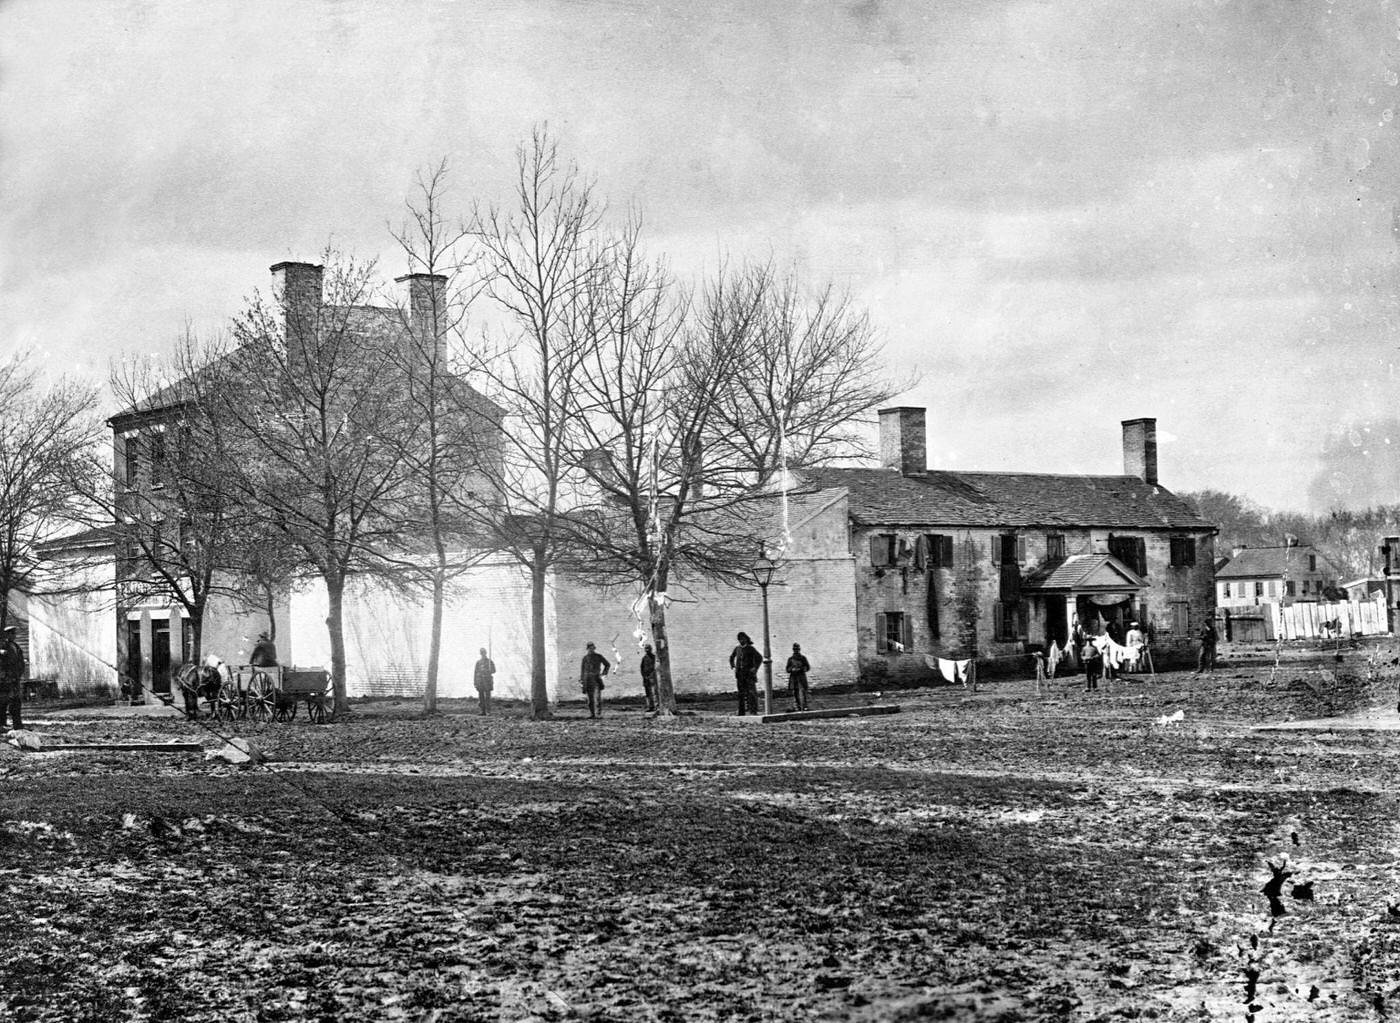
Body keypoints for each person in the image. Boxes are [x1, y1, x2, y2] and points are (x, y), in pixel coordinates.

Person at [729, 632, 762, 716]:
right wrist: (733, 665)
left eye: (742, 638)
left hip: (749, 674)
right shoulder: (737, 648)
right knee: (741, 693)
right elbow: (732, 657)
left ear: (746, 639)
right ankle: (741, 712)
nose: (741, 640)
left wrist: (755, 668)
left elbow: (759, 658)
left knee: (751, 692)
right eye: (739, 639)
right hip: (740, 674)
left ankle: (753, 711)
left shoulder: (751, 649)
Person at [0, 626, 25, 731]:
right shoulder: (3, 646)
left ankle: (17, 725)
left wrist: (19, 673)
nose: (13, 636)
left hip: (15, 679)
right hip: (4, 680)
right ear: (7, 635)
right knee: (3, 702)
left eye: (14, 634)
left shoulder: (16, 646)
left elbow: (20, 661)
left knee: (16, 702)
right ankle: (1, 724)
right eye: (11, 634)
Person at [579, 642, 610, 718]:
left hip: (596, 679)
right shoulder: (585, 658)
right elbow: (582, 670)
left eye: (592, 648)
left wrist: (603, 673)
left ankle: (598, 713)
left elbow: (607, 664)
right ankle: (592, 714)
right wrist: (582, 681)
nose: (591, 649)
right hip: (587, 680)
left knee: (597, 697)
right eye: (590, 648)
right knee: (590, 699)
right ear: (587, 649)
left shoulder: (598, 656)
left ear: (594, 648)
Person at [785, 643, 811, 712]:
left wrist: (802, 669)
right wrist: (792, 669)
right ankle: (797, 706)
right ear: (793, 650)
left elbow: (807, 667)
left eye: (797, 649)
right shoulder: (790, 659)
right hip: (794, 678)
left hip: (801, 677)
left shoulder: (803, 658)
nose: (796, 650)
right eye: (795, 649)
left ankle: (804, 706)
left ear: (799, 649)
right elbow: (787, 669)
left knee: (803, 691)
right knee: (796, 692)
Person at [473, 648, 496, 716]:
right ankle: (482, 711)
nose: (483, 654)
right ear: (480, 654)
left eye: (483, 653)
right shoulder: (478, 662)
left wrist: (489, 670)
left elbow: (494, 670)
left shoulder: (489, 662)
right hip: (480, 681)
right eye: (481, 653)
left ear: (485, 653)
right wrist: (475, 682)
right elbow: (475, 672)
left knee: (487, 696)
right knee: (481, 696)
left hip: (487, 681)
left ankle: (488, 711)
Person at [639, 643, 658, 712]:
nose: (647, 650)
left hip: (653, 678)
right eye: (646, 648)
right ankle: (650, 706)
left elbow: (656, 667)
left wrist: (652, 675)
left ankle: (656, 706)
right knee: (648, 693)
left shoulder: (654, 657)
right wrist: (644, 676)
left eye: (648, 648)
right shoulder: (644, 658)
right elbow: (641, 668)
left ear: (651, 649)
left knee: (654, 692)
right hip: (646, 679)